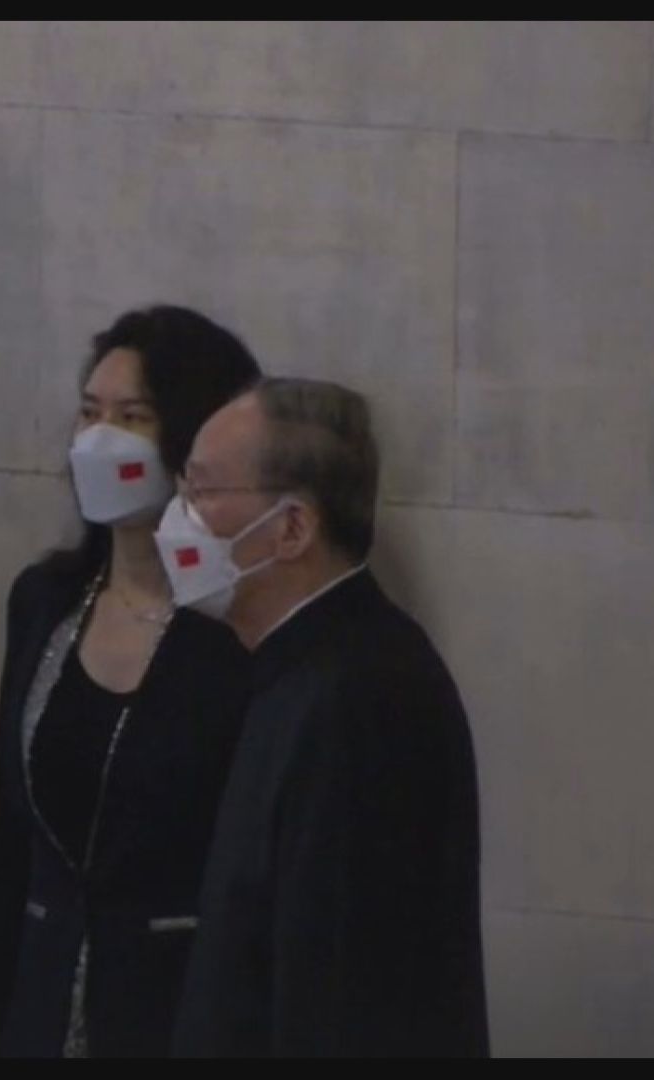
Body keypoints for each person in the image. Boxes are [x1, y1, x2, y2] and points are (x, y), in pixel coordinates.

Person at [0, 305, 260, 1057]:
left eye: (133, 417)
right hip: (36, 1010)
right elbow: (9, 846)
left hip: (174, 1015)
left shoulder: (239, 626)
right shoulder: (46, 600)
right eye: (90, 413)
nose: (100, 439)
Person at [165, 377, 489, 1057]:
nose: (180, 516)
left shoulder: (359, 697)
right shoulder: (300, 667)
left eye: (203, 491)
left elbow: (341, 985)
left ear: (291, 528)